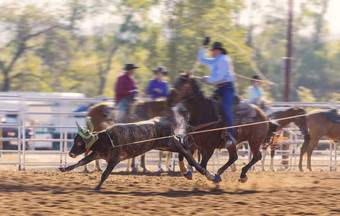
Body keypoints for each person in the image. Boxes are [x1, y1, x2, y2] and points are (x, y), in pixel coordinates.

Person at [198, 37, 236, 147]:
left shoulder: (224, 59)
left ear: (219, 51)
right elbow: (201, 60)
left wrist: (207, 79)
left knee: (225, 108)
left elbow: (219, 77)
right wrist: (203, 47)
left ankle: (231, 136)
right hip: (219, 88)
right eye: (211, 50)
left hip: (227, 88)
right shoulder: (216, 60)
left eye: (213, 50)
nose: (212, 52)